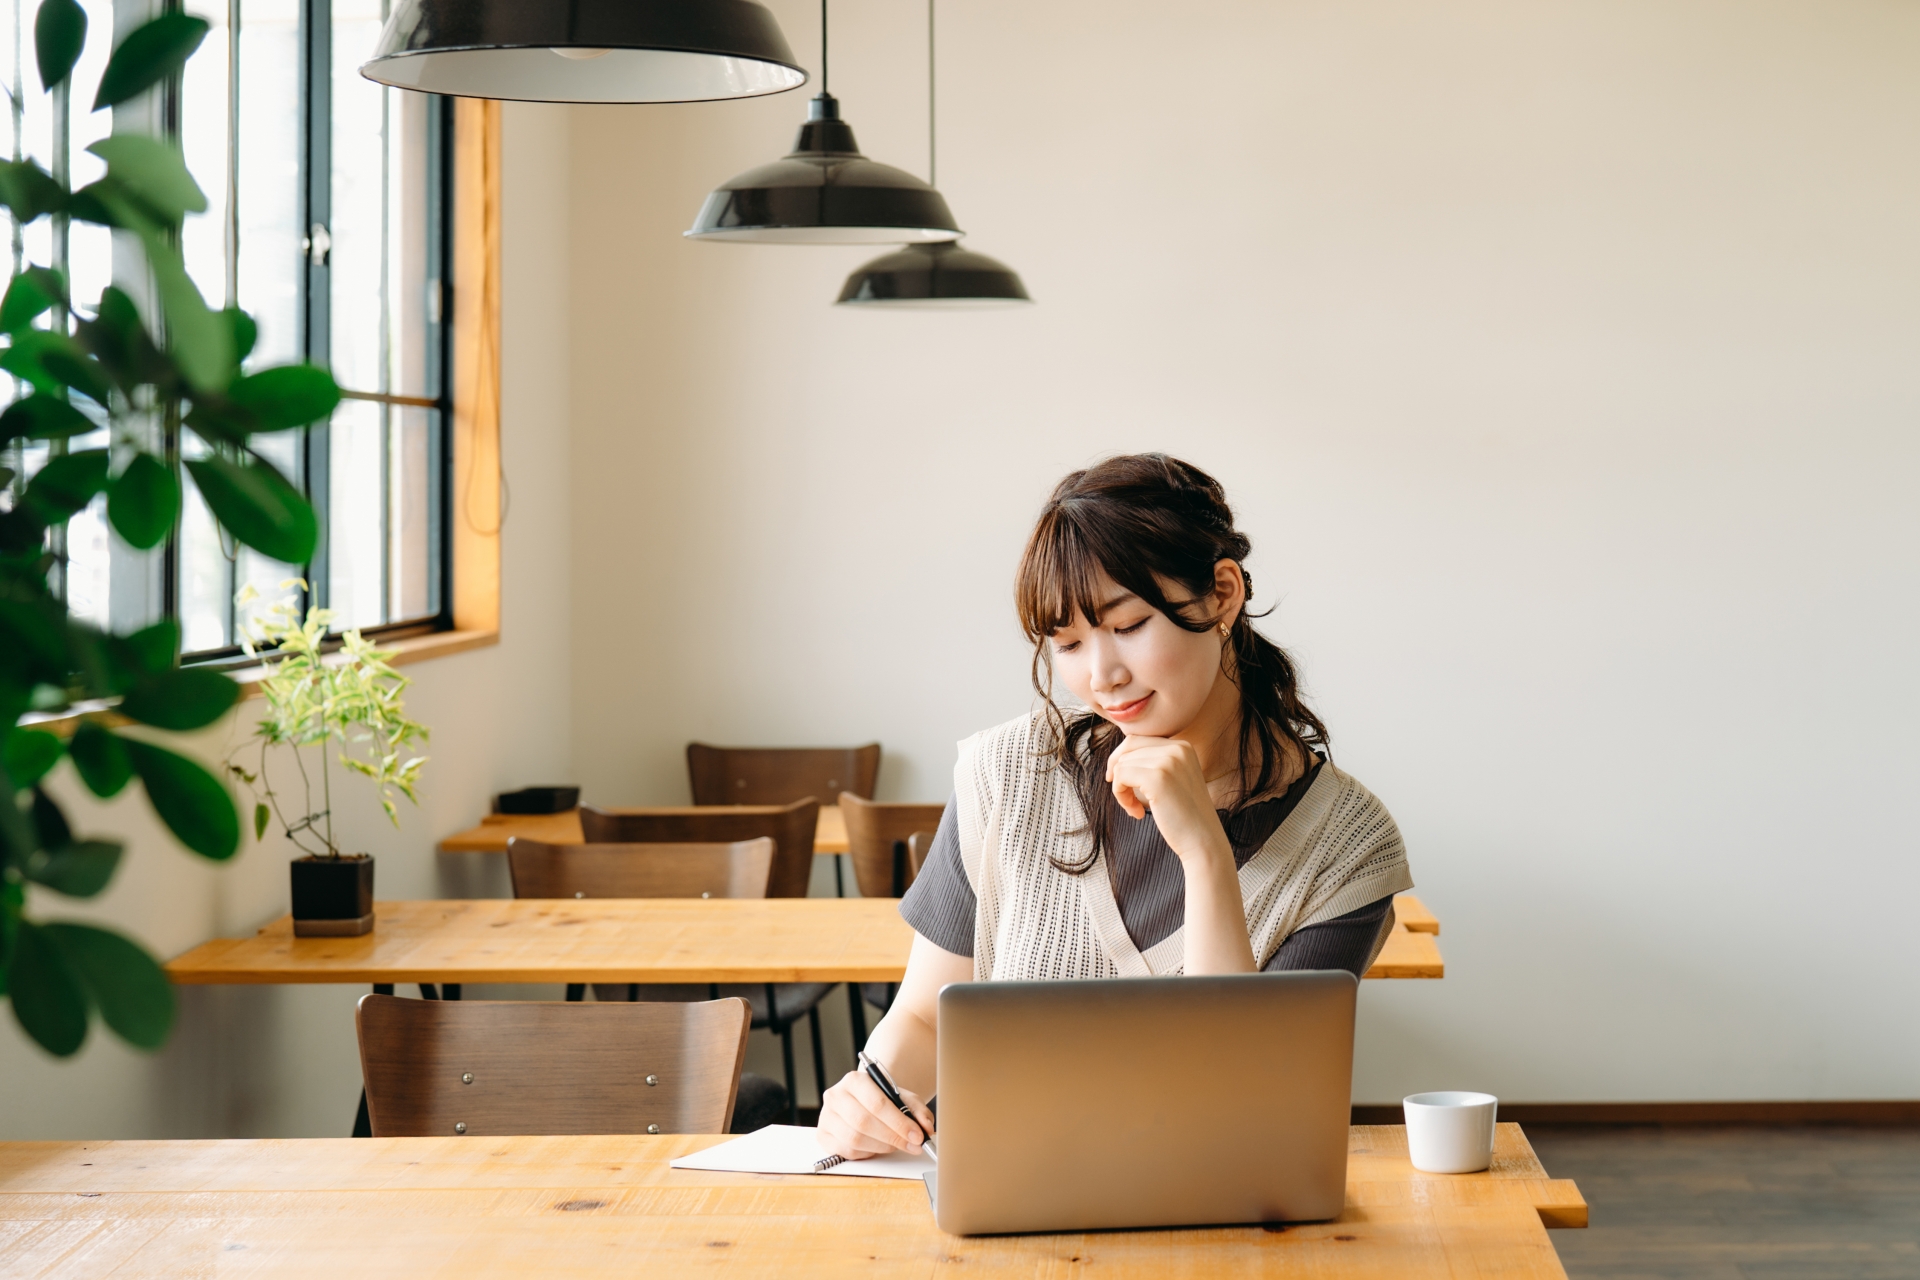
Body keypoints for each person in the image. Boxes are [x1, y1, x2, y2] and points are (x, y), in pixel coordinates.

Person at [816, 453, 1414, 1160]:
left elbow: (1245, 1107)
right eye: (1067, 643)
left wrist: (1205, 855)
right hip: (1013, 1222)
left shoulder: (1346, 847)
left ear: (1222, 595)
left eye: (1128, 626)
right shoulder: (1011, 772)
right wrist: (869, 1094)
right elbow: (924, 1018)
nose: (1101, 677)